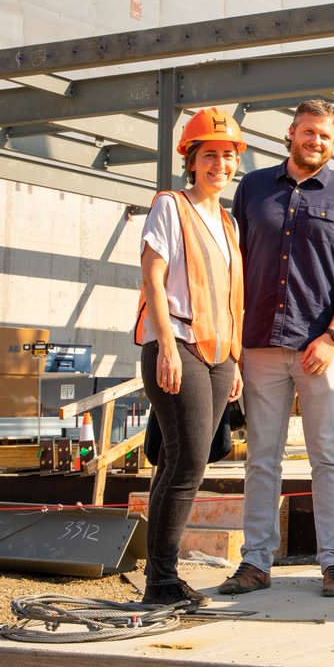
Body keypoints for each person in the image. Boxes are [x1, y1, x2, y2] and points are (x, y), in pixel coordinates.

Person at [218, 99, 334, 599]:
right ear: (291, 133)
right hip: (260, 344)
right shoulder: (253, 187)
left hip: (320, 347)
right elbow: (233, 263)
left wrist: (333, 336)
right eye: (308, 132)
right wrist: (233, 342)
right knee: (261, 457)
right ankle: (255, 561)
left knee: (327, 455)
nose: (315, 142)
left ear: (333, 141)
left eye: (325, 136)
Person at [136, 107, 246, 608]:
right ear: (191, 159)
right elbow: (153, 279)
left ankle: (164, 575)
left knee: (183, 461)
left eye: (227, 155)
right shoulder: (170, 206)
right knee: (185, 464)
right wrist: (164, 346)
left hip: (218, 353)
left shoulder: (228, 221)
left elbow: (228, 296)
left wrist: (236, 359)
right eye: (210, 155)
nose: (220, 164)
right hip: (177, 344)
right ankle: (160, 581)